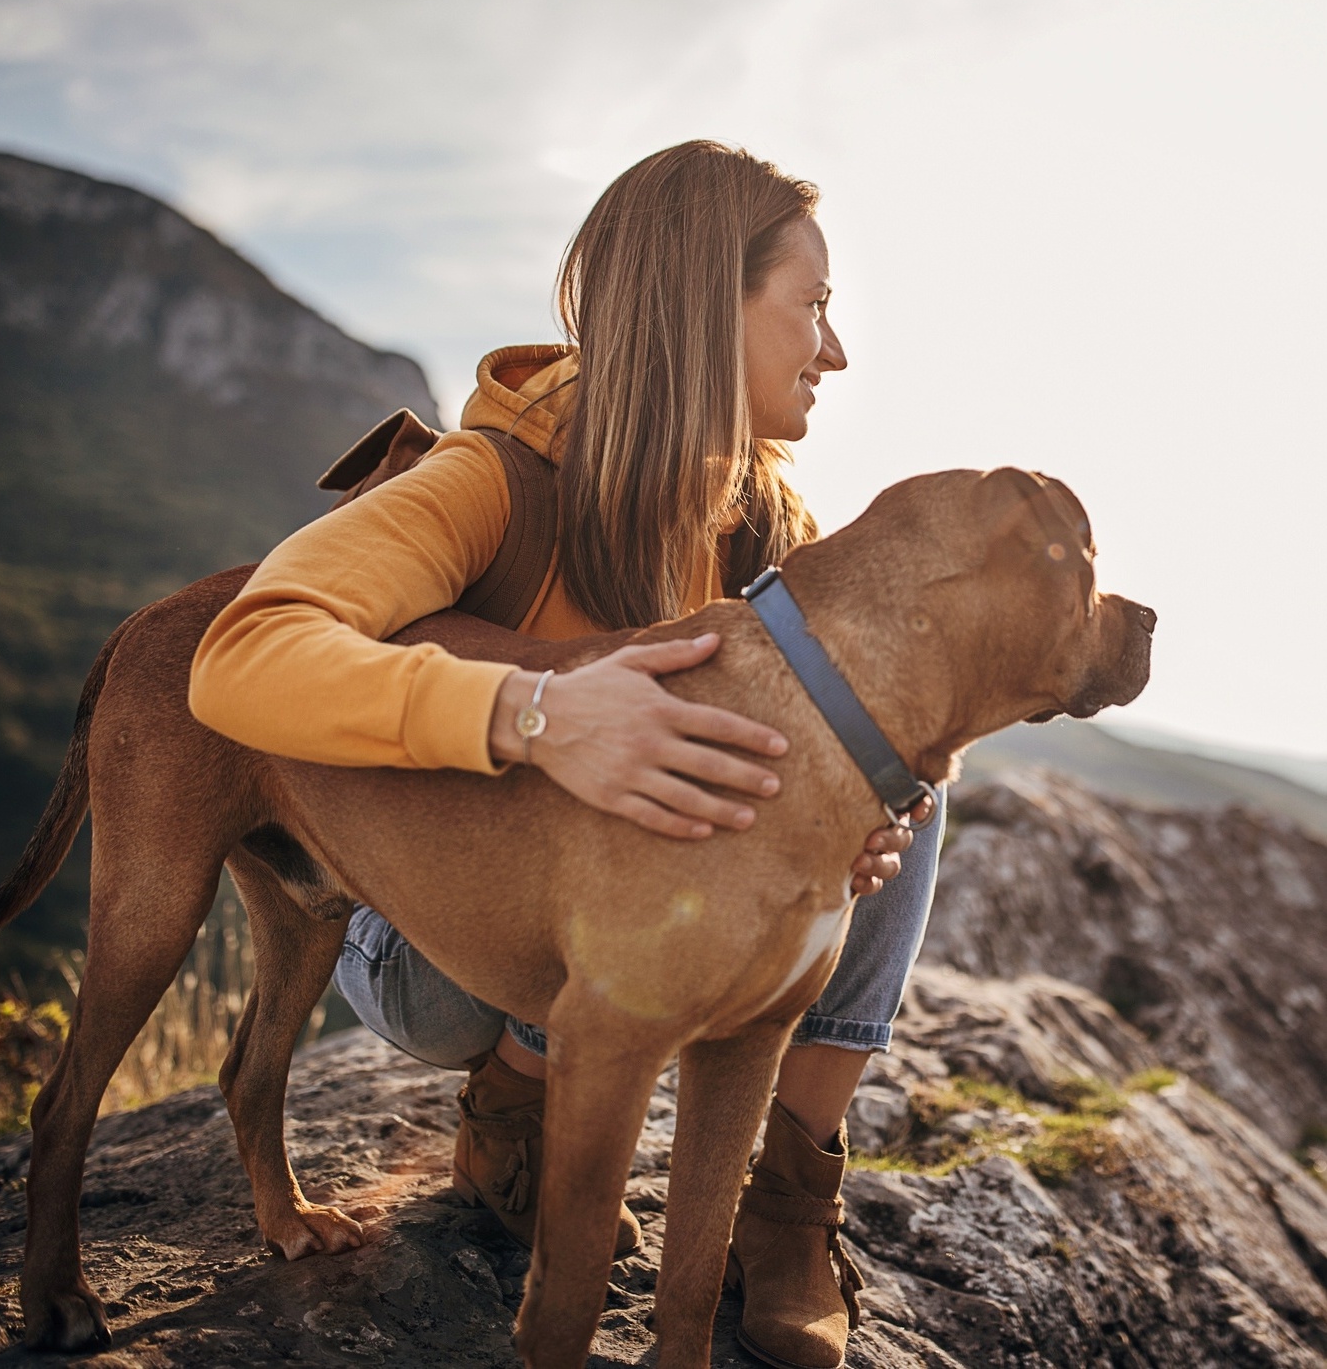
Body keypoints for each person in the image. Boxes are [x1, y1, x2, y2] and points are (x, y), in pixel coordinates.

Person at [189, 140, 942, 1369]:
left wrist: (849, 837)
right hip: (441, 948)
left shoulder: (766, 520)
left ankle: (788, 1208)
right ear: (707, 310)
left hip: (636, 924)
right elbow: (239, 655)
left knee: (896, 765)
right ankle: (513, 1106)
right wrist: (532, 713)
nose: (835, 350)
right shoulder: (487, 479)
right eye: (811, 307)